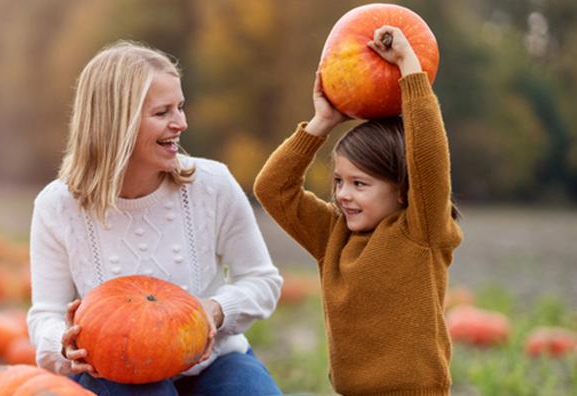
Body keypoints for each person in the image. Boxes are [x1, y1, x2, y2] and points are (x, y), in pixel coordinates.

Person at [27, 40, 284, 395]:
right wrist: (63, 343)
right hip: (115, 370)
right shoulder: (57, 207)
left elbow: (263, 281)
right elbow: (46, 315)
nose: (181, 123)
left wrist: (215, 310)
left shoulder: (212, 185)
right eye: (163, 113)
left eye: (180, 107)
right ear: (117, 123)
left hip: (214, 361)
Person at [254, 26, 462, 396]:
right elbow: (272, 189)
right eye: (338, 181)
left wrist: (409, 69)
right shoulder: (332, 236)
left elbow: (428, 158)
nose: (343, 195)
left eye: (360, 184)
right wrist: (322, 123)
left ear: (402, 189)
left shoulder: (421, 230)